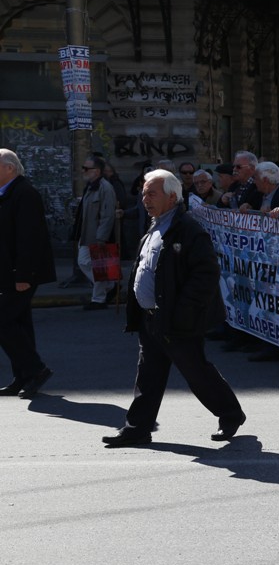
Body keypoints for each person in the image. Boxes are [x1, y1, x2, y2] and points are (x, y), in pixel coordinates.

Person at [102, 169, 246, 447]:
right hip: (151, 317)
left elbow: (205, 275)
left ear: (171, 197)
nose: (145, 198)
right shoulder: (155, 226)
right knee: (148, 376)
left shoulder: (189, 229)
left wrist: (182, 312)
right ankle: (137, 429)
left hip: (176, 319)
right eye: (143, 193)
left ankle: (231, 414)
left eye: (151, 193)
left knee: (197, 372)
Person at [0, 149, 57, 399]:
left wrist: (24, 275)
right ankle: (23, 376)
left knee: (3, 321)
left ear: (9, 168)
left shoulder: (25, 193)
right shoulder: (7, 193)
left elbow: (29, 239)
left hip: (21, 274)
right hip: (8, 272)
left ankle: (36, 370)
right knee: (20, 323)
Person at [74, 155, 117, 310]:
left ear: (97, 171)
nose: (84, 171)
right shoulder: (91, 186)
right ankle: (109, 285)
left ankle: (99, 298)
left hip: (97, 234)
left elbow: (108, 214)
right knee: (85, 262)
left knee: (97, 265)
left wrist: (102, 236)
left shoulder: (105, 187)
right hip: (87, 232)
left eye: (87, 168)